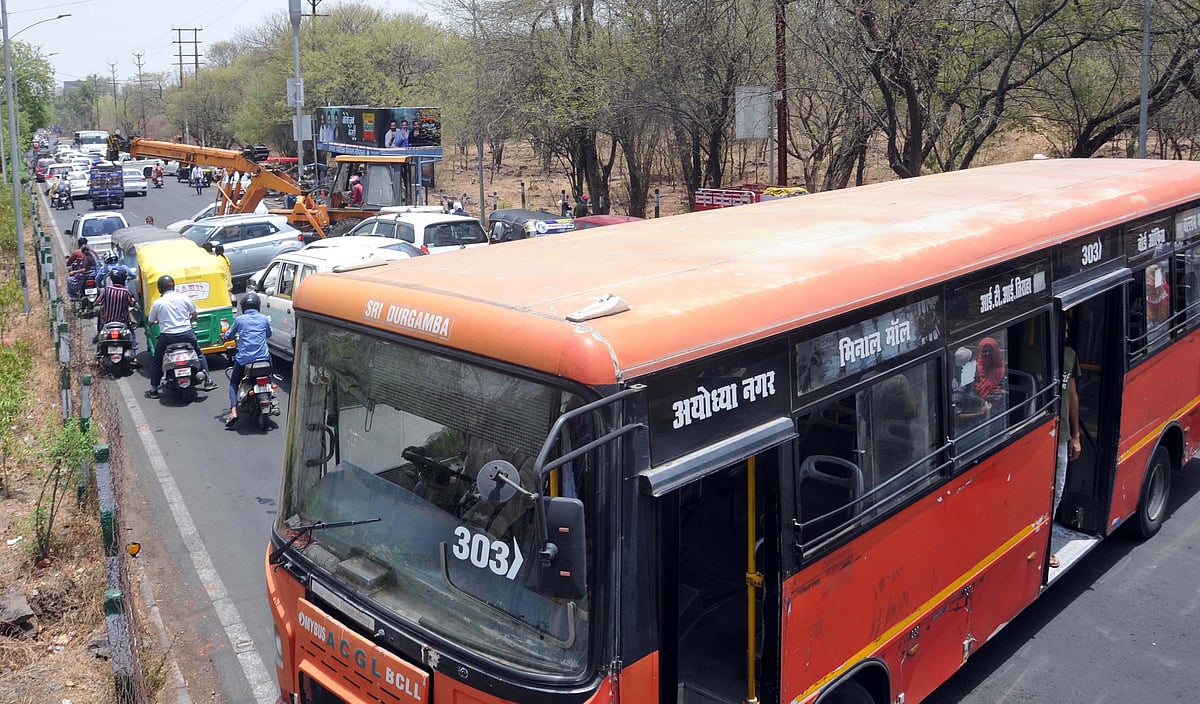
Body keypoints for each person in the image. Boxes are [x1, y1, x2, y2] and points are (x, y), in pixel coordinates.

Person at [146, 275, 217, 398]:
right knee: (199, 354)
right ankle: (208, 381)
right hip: (186, 334)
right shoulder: (184, 297)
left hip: (167, 337)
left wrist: (156, 322)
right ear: (173, 286)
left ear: (159, 289)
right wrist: (189, 318)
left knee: (157, 360)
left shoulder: (157, 303)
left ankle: (153, 389)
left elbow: (151, 321)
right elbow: (194, 314)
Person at [1051, 321, 1082, 569]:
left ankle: (1047, 539)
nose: (1067, 333)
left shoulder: (1069, 355)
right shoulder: (1038, 353)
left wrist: (1076, 436)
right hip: (1041, 435)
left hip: (1062, 436)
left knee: (1057, 490)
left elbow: (1072, 395)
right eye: (1065, 329)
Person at [221, 292, 273, 427]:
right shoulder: (264, 319)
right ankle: (271, 392)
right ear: (258, 306)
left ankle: (233, 412)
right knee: (269, 368)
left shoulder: (239, 320)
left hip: (245, 360)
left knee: (233, 383)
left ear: (243, 307)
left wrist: (224, 336)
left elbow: (228, 335)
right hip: (263, 358)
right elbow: (269, 334)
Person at [94, 265, 141, 367]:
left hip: (107, 322)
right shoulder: (126, 292)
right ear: (123, 279)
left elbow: (98, 302)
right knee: (132, 335)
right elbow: (133, 304)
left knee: (100, 337)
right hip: (122, 323)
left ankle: (98, 356)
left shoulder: (106, 290)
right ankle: (133, 356)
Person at [974, 336, 1006, 402]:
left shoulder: (1004, 368)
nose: (987, 353)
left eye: (991, 351)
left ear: (996, 351)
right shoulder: (974, 369)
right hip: (978, 403)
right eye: (984, 351)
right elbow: (969, 390)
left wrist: (1002, 392)